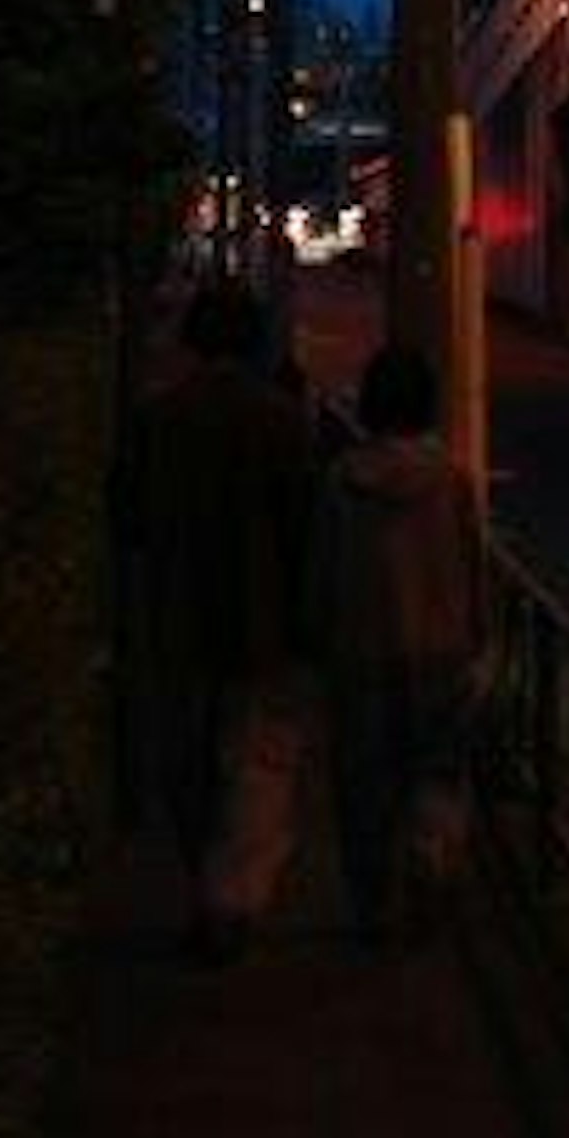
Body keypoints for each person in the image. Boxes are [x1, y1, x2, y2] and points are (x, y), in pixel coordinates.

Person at [123, 273, 323, 963]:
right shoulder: (283, 421)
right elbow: (304, 530)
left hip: (177, 616)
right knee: (254, 768)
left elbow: (129, 522)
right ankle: (230, 898)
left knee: (187, 768)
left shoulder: (159, 419)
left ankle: (207, 895)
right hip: (262, 619)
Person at [306, 340, 489, 945]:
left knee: (363, 784)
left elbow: (324, 570)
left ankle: (373, 902)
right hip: (439, 650)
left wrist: (319, 636)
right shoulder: (451, 481)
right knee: (436, 772)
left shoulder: (341, 481)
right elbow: (471, 565)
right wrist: (476, 635)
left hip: (359, 651)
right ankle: (432, 873)